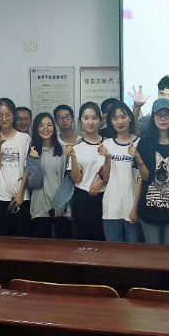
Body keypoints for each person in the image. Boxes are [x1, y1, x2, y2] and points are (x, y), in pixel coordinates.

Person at [131, 98, 169, 245]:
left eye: (167, 115)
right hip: (149, 210)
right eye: (159, 115)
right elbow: (144, 177)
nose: (163, 119)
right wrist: (134, 207)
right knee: (152, 253)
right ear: (153, 117)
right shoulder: (145, 142)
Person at [0, 98, 31, 237]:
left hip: (21, 195)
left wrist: (20, 193)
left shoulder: (24, 138)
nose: (4, 119)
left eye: (8, 114)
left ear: (13, 116)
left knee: (21, 237)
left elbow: (27, 168)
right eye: (0, 115)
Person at [26, 113, 73, 239]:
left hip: (62, 206)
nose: (45, 128)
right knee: (42, 247)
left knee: (63, 246)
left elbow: (69, 180)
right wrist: (34, 160)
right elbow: (34, 183)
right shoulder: (32, 151)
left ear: (54, 127)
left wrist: (60, 204)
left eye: (49, 125)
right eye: (41, 125)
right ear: (36, 129)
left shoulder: (64, 150)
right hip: (40, 207)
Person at [101, 101, 143, 242]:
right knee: (113, 252)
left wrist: (135, 207)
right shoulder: (106, 144)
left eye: (123, 117)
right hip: (111, 208)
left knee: (133, 252)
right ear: (110, 122)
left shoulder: (140, 143)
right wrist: (107, 158)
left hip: (132, 207)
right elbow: (105, 178)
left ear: (130, 118)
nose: (120, 121)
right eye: (115, 118)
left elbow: (140, 178)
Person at [68, 102, 107, 241]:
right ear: (80, 121)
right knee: (84, 240)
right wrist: (73, 158)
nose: (90, 122)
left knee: (103, 239)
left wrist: (101, 181)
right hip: (82, 198)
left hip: (105, 196)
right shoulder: (76, 147)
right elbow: (76, 179)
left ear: (100, 121)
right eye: (86, 118)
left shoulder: (108, 143)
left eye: (94, 118)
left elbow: (113, 169)